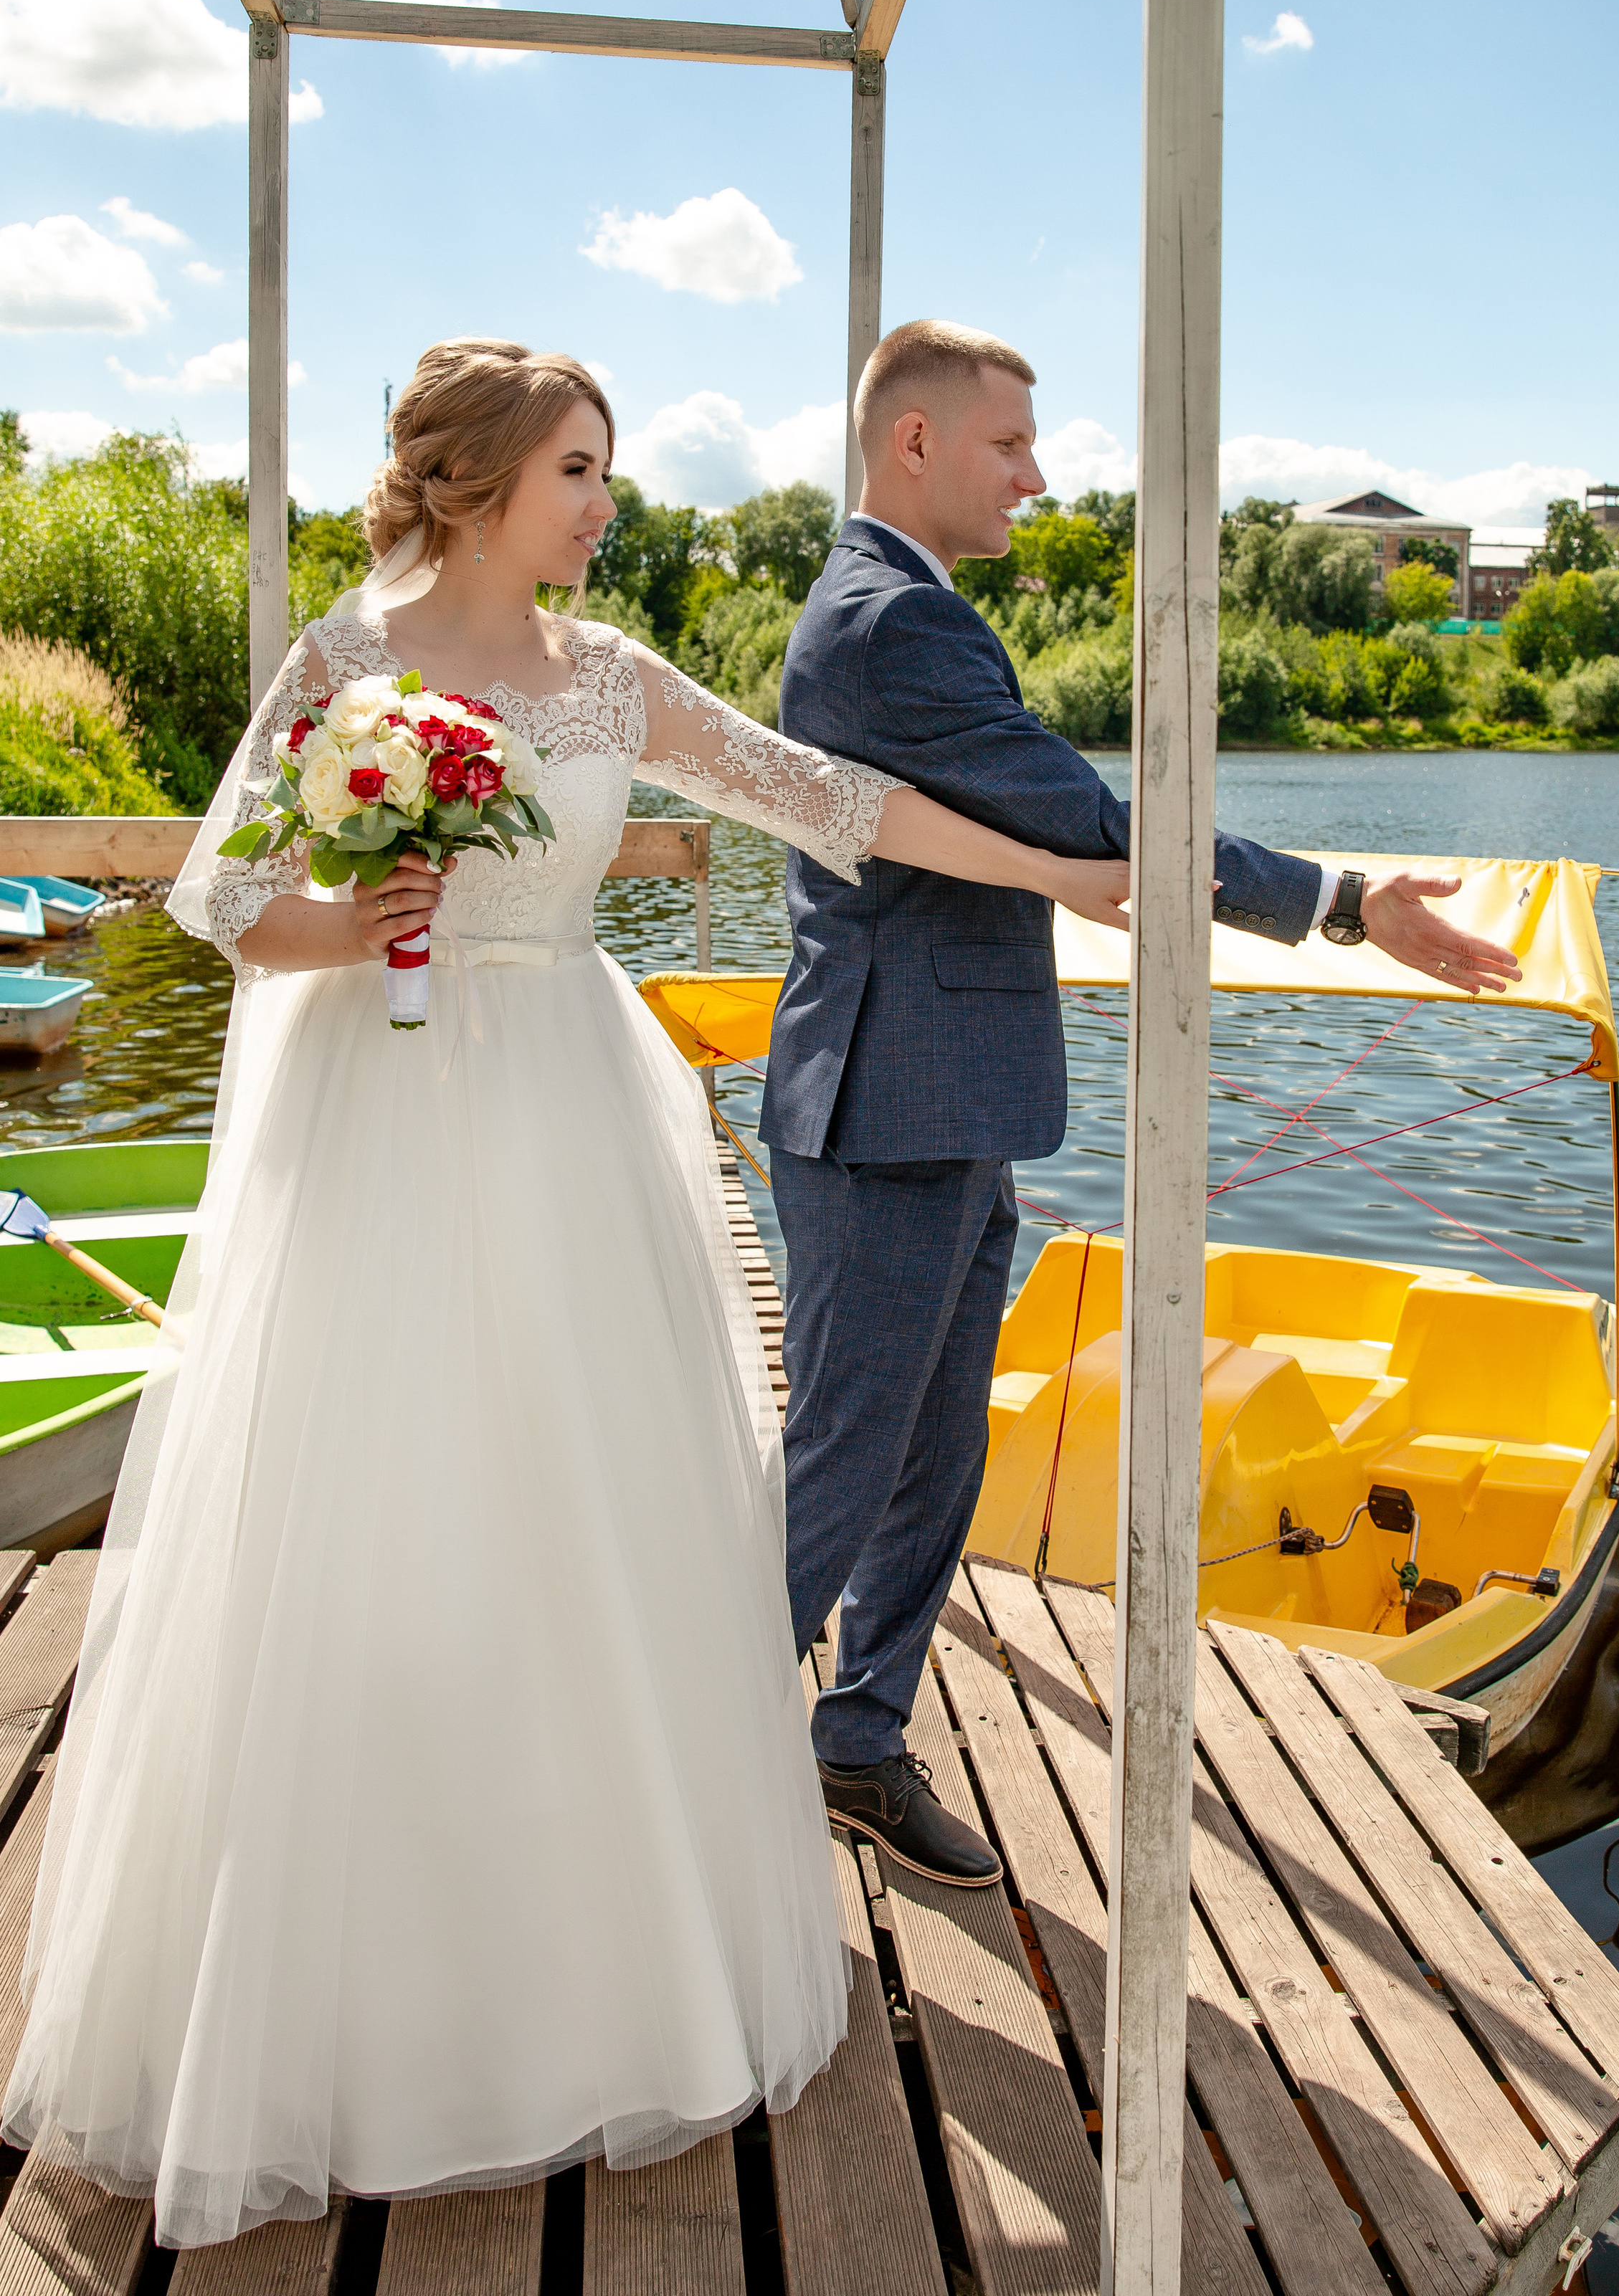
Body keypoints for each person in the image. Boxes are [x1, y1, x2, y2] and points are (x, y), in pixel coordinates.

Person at [1, 338, 1133, 2251]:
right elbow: (219, 897)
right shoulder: (348, 665)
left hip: (571, 1125)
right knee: (378, 1520)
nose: (605, 504)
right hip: (382, 1123)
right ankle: (353, 1977)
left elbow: (834, 804)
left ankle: (587, 1955)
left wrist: (1063, 865)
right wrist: (342, 924)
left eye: (606, 470)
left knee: (585, 1527)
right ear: (472, 483)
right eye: (578, 472)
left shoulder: (616, 681)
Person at [764, 319, 1522, 1885]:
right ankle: (683, 1764)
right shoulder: (889, 624)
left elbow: (1064, 838)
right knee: (847, 1458)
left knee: (934, 1457)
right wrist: (1342, 896)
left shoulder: (913, 609)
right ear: (910, 444)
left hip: (944, 1100)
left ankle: (854, 1739)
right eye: (1008, 446)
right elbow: (1084, 819)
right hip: (886, 1108)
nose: (1037, 478)